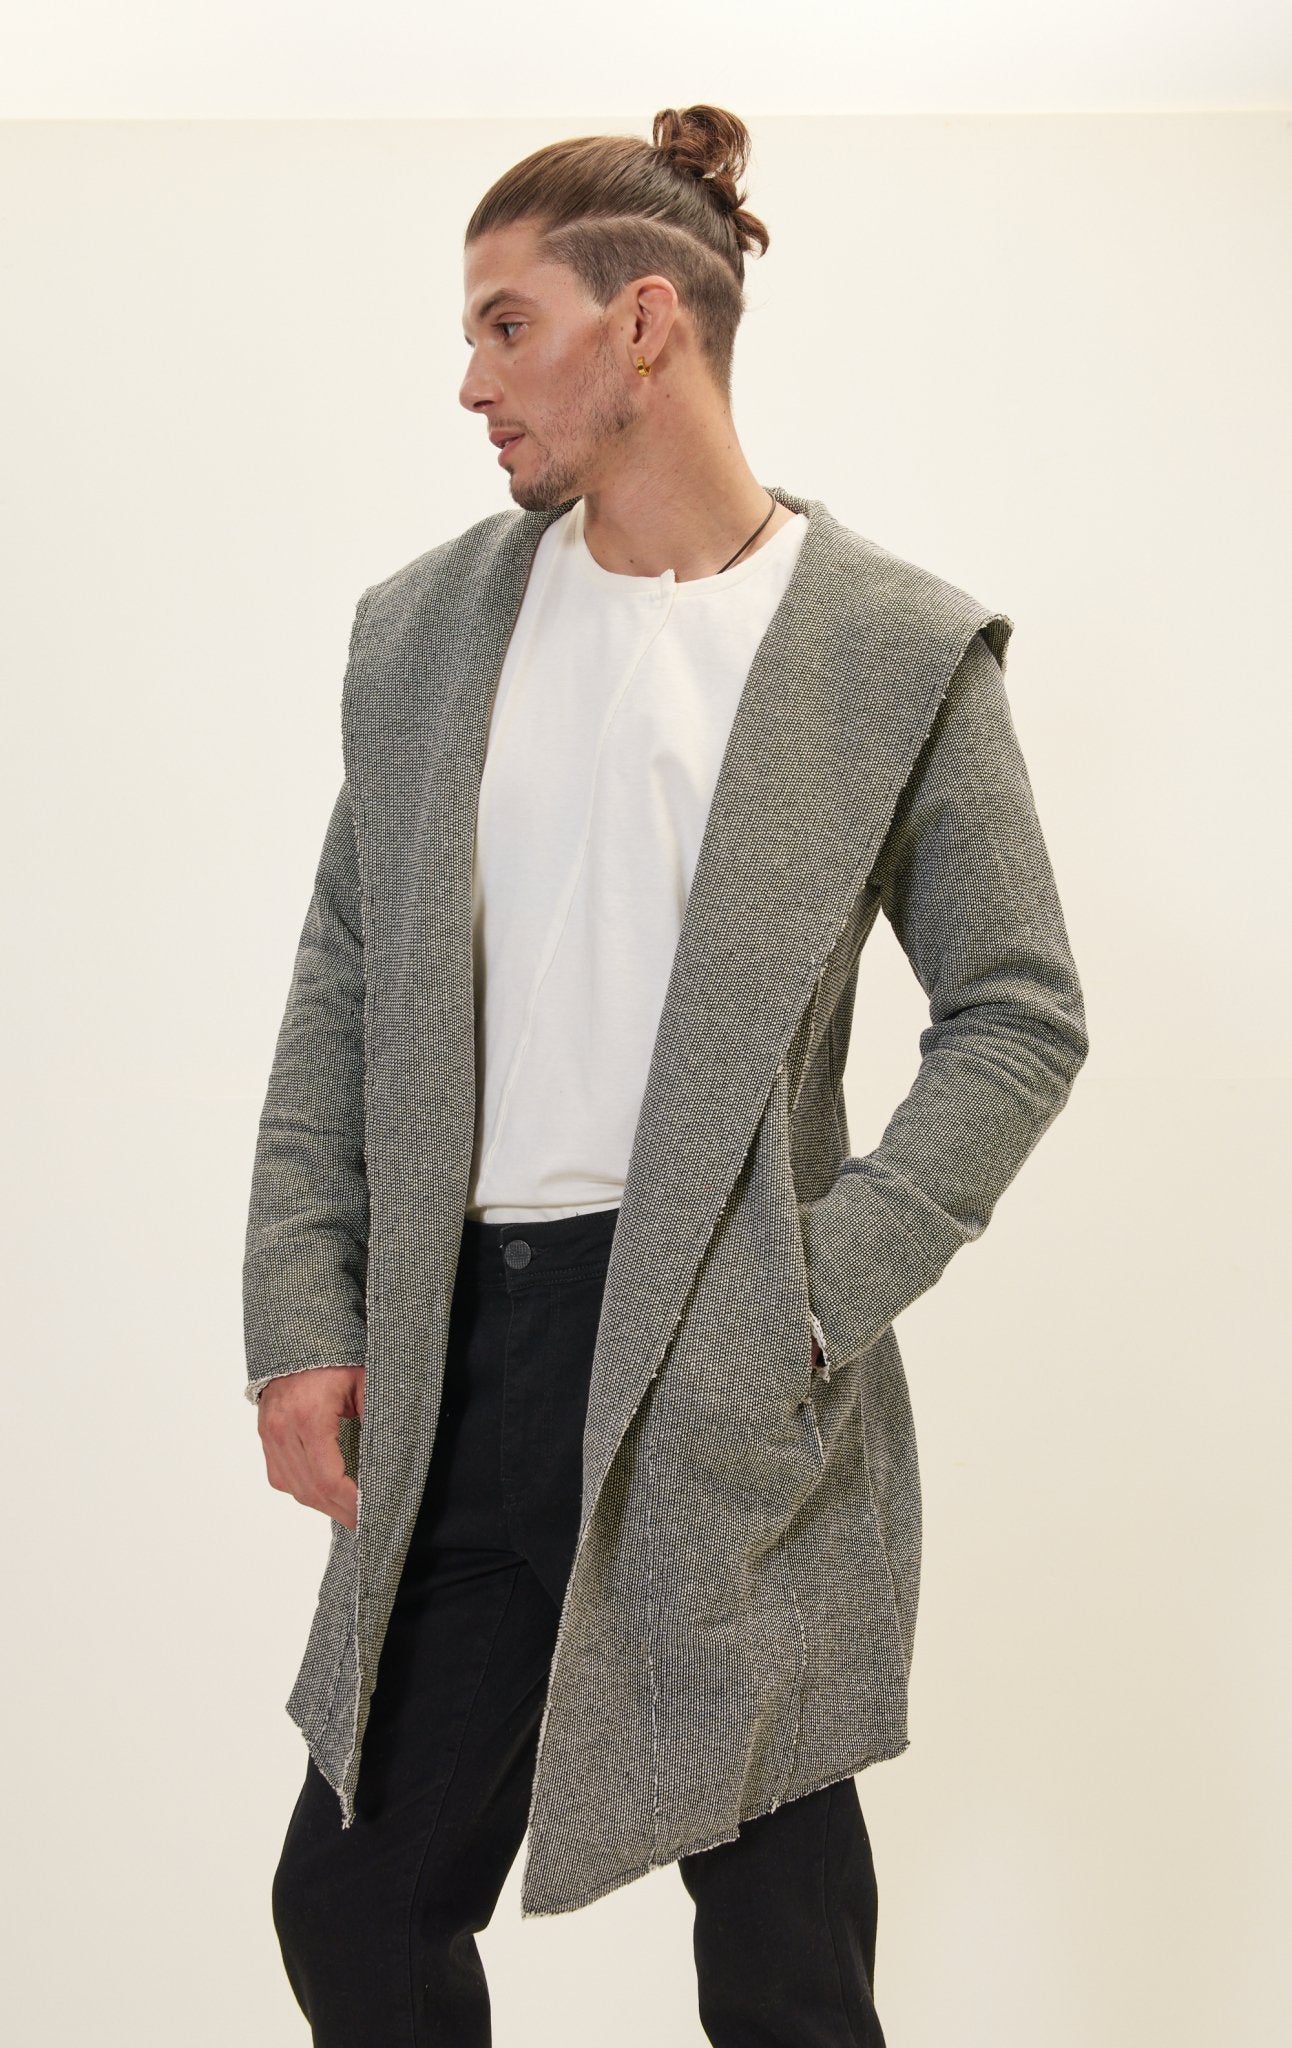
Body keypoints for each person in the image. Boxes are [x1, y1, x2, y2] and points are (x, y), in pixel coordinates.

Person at [244, 103, 1089, 2046]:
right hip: (464, 1350)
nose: (471, 383)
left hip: (722, 1351)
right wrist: (301, 1307)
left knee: (782, 1964)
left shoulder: (888, 651)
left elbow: (1019, 1005)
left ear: (645, 325)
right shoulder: (427, 633)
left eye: (505, 326)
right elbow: (342, 979)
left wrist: (812, 1290)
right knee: (354, 1901)